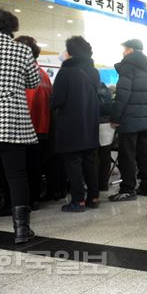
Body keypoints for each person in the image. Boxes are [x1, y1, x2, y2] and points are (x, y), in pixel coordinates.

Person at [0, 7, 39, 245]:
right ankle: (21, 230)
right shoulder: (21, 49)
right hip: (11, 122)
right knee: (16, 175)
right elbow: (33, 82)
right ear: (11, 27)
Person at [51, 36, 101, 212]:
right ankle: (93, 198)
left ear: (70, 52)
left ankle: (78, 201)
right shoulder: (93, 72)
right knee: (89, 161)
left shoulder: (65, 72)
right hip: (91, 122)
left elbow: (56, 100)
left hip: (71, 124)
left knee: (73, 162)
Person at [108, 39, 147, 201]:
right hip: (145, 118)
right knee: (144, 152)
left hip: (129, 118)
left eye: (124, 49)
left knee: (126, 154)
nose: (123, 53)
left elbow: (123, 94)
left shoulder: (128, 65)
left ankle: (128, 188)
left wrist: (115, 117)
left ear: (131, 50)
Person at [16, 35, 53, 211]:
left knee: (25, 169)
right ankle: (34, 199)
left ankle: (27, 202)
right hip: (43, 126)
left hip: (29, 127)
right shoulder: (43, 74)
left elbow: (28, 104)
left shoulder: (26, 74)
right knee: (35, 167)